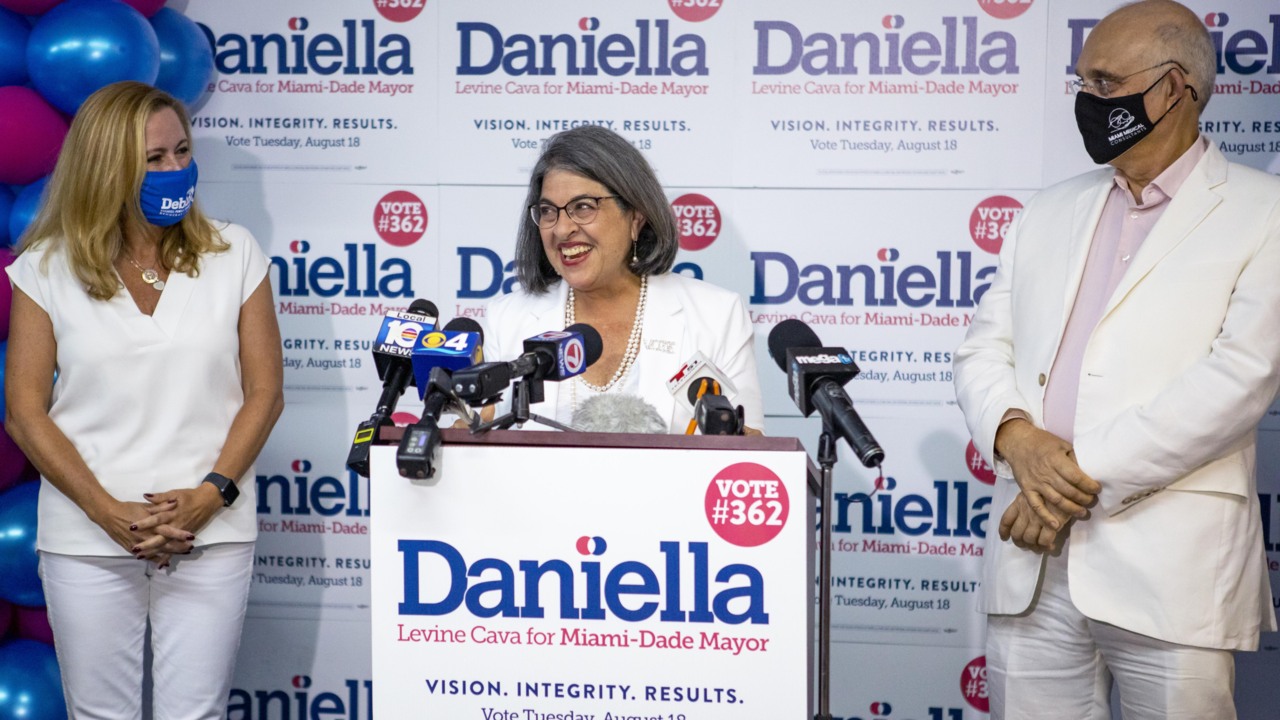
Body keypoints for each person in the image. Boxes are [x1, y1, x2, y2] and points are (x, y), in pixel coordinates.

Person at [953, 2, 1280, 718]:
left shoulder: (1265, 212)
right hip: (1030, 562)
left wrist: (1066, 481)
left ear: (1172, 89)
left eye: (1104, 83)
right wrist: (1017, 439)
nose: (1087, 102)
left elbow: (1238, 380)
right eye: (1081, 83)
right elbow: (985, 348)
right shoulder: (1047, 209)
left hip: (1169, 566)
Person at [4, 81, 284, 719]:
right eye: (154, 159)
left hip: (211, 529)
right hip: (87, 535)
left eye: (182, 151)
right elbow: (24, 409)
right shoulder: (47, 266)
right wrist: (106, 512)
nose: (176, 170)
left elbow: (264, 394)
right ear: (108, 166)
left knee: (197, 713)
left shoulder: (233, 252)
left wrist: (211, 495)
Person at [483, 125, 763, 434]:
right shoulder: (506, 320)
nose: (561, 230)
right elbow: (471, 439)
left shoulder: (716, 316)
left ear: (636, 217)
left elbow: (747, 454)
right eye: (549, 211)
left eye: (583, 207)